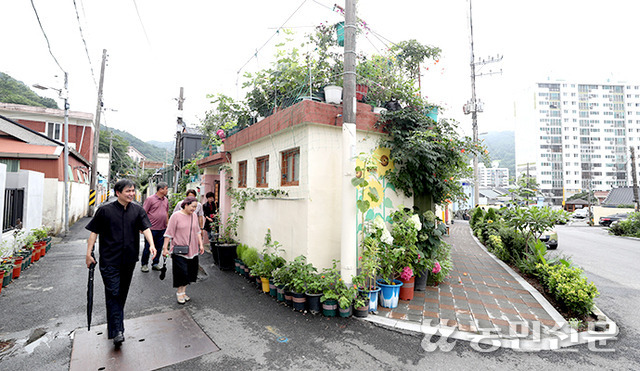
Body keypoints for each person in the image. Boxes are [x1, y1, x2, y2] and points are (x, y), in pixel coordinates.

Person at [85, 179, 156, 348]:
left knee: (120, 295)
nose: (131, 193)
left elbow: (146, 228)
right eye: (128, 191)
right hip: (109, 260)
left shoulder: (137, 210)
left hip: (129, 260)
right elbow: (94, 233)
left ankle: (113, 327)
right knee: (114, 292)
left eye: (133, 190)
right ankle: (118, 331)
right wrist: (88, 254)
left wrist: (151, 244)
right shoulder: (104, 211)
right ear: (118, 193)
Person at [162, 197, 205, 304]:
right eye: (192, 206)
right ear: (186, 205)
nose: (194, 209)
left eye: (196, 207)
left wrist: (201, 245)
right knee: (181, 272)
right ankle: (179, 293)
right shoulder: (176, 216)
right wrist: (165, 248)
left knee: (190, 272)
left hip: (192, 249)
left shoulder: (194, 216)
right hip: (179, 250)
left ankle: (184, 292)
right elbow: (169, 233)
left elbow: (197, 231)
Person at [141, 182, 169, 272]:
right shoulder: (150, 199)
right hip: (151, 229)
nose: (167, 190)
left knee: (159, 247)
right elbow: (143, 213)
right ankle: (144, 264)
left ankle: (155, 263)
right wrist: (142, 226)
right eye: (166, 188)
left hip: (162, 228)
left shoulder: (166, 200)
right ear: (161, 189)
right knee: (148, 247)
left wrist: (167, 225)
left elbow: (166, 213)